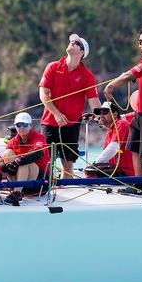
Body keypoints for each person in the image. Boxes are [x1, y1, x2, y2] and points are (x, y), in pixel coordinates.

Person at [103, 26, 142, 202]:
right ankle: (138, 185)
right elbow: (133, 74)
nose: (139, 45)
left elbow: (128, 74)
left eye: (140, 41)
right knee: (134, 148)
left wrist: (111, 86)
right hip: (141, 113)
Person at [39, 33, 101, 179]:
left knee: (68, 163)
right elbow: (43, 95)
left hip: (72, 123)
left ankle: (67, 189)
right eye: (71, 41)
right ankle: (43, 190)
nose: (72, 43)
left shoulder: (87, 75)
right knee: (46, 161)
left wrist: (103, 117)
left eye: (77, 43)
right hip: (50, 122)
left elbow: (93, 101)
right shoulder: (52, 67)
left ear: (82, 52)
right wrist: (56, 113)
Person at [1, 112, 50, 206]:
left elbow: (38, 153)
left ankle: (17, 193)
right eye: (18, 125)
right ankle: (16, 189)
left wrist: (17, 162)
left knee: (25, 163)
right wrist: (6, 166)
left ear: (30, 125)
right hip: (19, 180)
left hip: (39, 183)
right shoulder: (13, 141)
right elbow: (1, 163)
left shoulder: (38, 138)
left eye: (24, 124)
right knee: (8, 153)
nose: (21, 127)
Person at [85, 101, 135, 178]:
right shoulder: (110, 131)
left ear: (115, 114)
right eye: (100, 113)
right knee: (89, 171)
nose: (101, 115)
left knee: (90, 172)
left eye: (105, 112)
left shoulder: (121, 124)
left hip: (127, 172)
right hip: (117, 169)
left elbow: (113, 148)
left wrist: (95, 164)